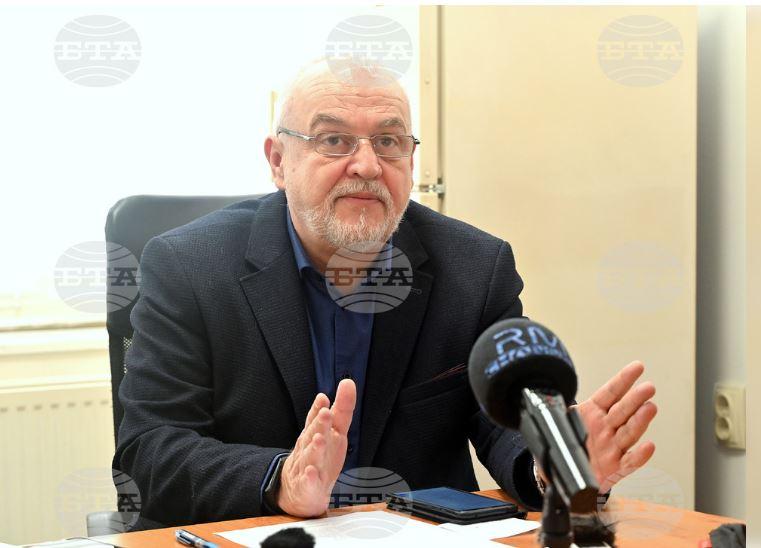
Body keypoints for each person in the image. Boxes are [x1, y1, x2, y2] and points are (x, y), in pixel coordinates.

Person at [113, 60, 657, 527]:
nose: (368, 165)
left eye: (389, 142)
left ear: (410, 163)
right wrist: (280, 480)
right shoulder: (189, 267)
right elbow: (150, 448)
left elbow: (505, 419)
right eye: (333, 140)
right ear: (278, 161)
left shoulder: (474, 268)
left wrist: (552, 463)